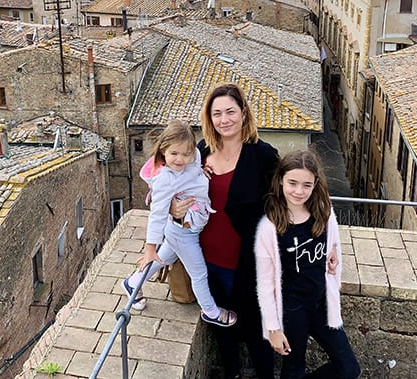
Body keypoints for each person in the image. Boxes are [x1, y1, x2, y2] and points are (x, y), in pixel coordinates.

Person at [172, 83, 279, 379]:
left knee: (259, 336)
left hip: (248, 264)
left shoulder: (263, 156)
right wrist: (173, 210)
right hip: (207, 263)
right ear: (209, 118)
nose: (224, 119)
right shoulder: (198, 154)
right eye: (217, 113)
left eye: (230, 111)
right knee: (224, 334)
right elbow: (170, 188)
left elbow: (284, 207)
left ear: (244, 113)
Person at [254, 149, 360, 379]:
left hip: (321, 303)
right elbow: (264, 284)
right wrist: (273, 329)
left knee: (349, 368)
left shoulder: (324, 210)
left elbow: (332, 242)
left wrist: (331, 252)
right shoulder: (270, 227)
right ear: (280, 180)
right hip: (292, 310)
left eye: (306, 185)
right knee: (294, 370)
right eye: (292, 183)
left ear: (315, 184)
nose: (299, 191)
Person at [123, 119, 237, 327]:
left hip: (185, 229)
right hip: (183, 233)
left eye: (186, 154)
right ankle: (210, 311)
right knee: (199, 273)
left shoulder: (195, 159)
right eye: (174, 153)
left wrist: (198, 172)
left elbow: (192, 170)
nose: (180, 159)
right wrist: (150, 247)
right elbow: (157, 214)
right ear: (163, 150)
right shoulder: (165, 179)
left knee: (162, 260)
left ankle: (132, 283)